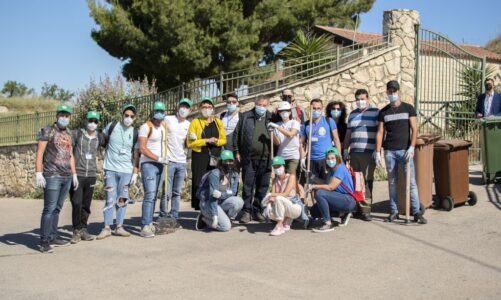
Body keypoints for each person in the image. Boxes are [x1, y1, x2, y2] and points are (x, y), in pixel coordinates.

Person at [374, 80, 427, 224]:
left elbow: (415, 129)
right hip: (389, 151)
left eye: (395, 91)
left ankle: (416, 212)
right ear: (387, 93)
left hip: (405, 151)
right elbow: (380, 132)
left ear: (399, 92)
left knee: (411, 183)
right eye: (390, 92)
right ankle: (394, 211)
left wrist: (412, 147)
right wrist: (377, 151)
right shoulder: (383, 112)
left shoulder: (408, 108)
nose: (392, 94)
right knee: (392, 182)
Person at [35, 104, 78, 253]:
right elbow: (40, 152)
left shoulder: (69, 134)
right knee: (49, 208)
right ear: (57, 115)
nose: (64, 118)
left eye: (67, 115)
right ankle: (44, 241)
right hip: (52, 174)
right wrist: (38, 172)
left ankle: (53, 236)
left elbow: (70, 155)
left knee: (58, 208)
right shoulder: (48, 130)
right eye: (62, 115)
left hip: (66, 176)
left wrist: (74, 174)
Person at [96, 103, 140, 240]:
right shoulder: (112, 126)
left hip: (126, 171)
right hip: (110, 169)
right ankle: (107, 227)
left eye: (131, 116)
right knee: (110, 198)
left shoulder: (134, 132)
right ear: (122, 115)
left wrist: (135, 172)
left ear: (135, 118)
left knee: (122, 199)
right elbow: (101, 140)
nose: (128, 118)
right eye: (126, 115)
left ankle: (119, 226)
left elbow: (136, 153)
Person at [233, 95, 273, 223]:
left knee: (263, 186)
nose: (262, 107)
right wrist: (236, 151)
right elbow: (236, 134)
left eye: (264, 105)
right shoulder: (245, 116)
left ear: (267, 106)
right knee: (247, 185)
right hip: (248, 157)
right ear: (255, 104)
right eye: (259, 105)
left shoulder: (271, 117)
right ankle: (246, 211)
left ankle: (257, 210)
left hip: (266, 158)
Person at [343, 89, 379, 222]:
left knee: (367, 181)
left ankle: (366, 209)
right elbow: (348, 133)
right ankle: (356, 208)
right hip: (355, 153)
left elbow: (381, 131)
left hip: (369, 152)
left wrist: (378, 150)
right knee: (355, 181)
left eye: (362, 99)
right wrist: (345, 149)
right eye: (358, 99)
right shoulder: (352, 114)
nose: (360, 101)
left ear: (368, 99)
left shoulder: (375, 112)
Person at [69, 110, 104, 244]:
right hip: (78, 174)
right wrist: (72, 173)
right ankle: (76, 230)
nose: (92, 123)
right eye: (90, 121)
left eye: (95, 121)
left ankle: (83, 229)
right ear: (86, 121)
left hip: (91, 175)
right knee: (76, 203)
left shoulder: (99, 138)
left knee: (86, 204)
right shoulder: (77, 134)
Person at [187, 97, 226, 211]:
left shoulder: (218, 122)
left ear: (213, 108)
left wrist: (216, 141)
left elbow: (224, 139)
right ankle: (200, 209)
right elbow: (190, 143)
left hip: (215, 156)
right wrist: (206, 141)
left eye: (209, 107)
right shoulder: (195, 122)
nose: (207, 109)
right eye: (204, 107)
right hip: (200, 156)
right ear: (200, 108)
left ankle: (213, 207)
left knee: (214, 181)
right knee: (199, 182)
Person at [138, 101, 168, 238]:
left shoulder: (164, 127)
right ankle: (145, 225)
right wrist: (158, 158)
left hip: (161, 165)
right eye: (157, 110)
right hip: (149, 164)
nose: (159, 113)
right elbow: (142, 148)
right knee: (150, 195)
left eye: (162, 111)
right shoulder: (145, 127)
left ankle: (150, 223)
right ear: (153, 111)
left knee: (155, 194)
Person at [159, 98, 192, 220]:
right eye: (182, 106)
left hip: (182, 162)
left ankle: (174, 216)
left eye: (186, 107)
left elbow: (189, 144)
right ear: (178, 107)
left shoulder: (189, 125)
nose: (184, 109)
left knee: (177, 193)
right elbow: (159, 134)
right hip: (169, 161)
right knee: (166, 192)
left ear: (190, 110)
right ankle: (163, 215)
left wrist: (191, 140)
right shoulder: (168, 119)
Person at [309, 147, 356, 233]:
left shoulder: (340, 168)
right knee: (314, 211)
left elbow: (330, 187)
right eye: (328, 158)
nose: (330, 160)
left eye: (332, 158)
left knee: (320, 193)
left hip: (348, 199)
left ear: (337, 158)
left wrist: (315, 186)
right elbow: (326, 182)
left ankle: (328, 223)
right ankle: (341, 214)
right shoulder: (332, 170)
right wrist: (312, 177)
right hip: (337, 197)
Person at [196, 150, 244, 232]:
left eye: (230, 161)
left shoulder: (234, 175)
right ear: (221, 161)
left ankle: (227, 219)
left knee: (239, 201)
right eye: (226, 161)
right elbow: (212, 196)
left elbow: (233, 192)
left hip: (221, 201)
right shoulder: (215, 174)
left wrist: (221, 195)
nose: (228, 163)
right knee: (225, 227)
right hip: (209, 202)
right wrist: (215, 216)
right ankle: (204, 219)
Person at [299, 98, 342, 180]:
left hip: (326, 159)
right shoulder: (306, 124)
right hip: (311, 160)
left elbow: (336, 139)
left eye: (318, 108)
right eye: (314, 108)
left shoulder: (329, 121)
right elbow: (302, 143)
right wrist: (302, 158)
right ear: (310, 109)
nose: (316, 110)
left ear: (322, 108)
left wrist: (339, 156)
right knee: (312, 186)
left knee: (327, 184)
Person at [261, 156, 302, 236]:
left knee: (279, 198)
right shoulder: (274, 180)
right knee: (270, 212)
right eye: (275, 167)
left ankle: (279, 226)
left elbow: (285, 194)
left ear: (284, 166)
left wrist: (271, 194)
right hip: (283, 206)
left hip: (294, 206)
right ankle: (286, 220)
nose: (277, 168)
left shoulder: (291, 177)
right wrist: (269, 204)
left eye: (279, 166)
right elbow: (273, 197)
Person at [269, 101, 301, 174]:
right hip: (281, 155)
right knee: (281, 177)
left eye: (286, 111)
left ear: (290, 112)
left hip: (293, 156)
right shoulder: (277, 124)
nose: (284, 113)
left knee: (291, 177)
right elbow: (278, 142)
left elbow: (291, 135)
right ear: (279, 113)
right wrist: (271, 133)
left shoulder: (294, 123)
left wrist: (277, 127)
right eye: (281, 111)